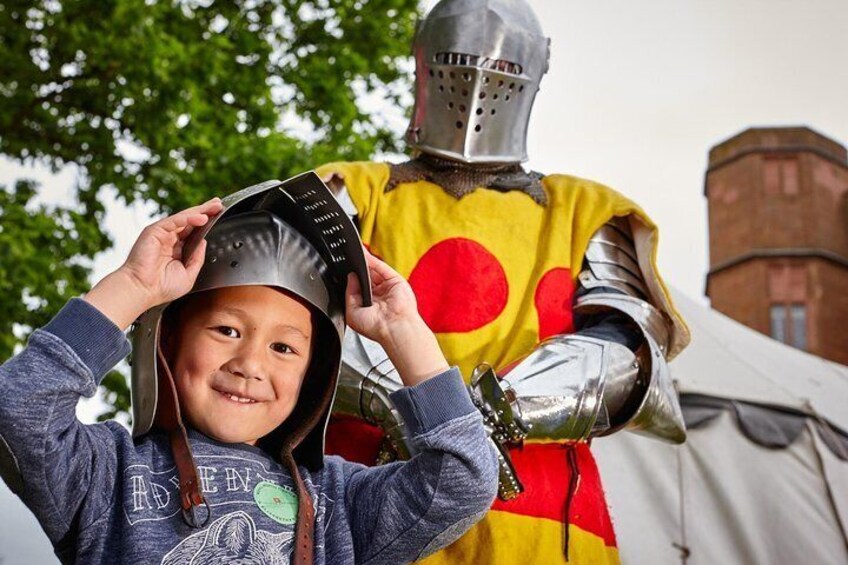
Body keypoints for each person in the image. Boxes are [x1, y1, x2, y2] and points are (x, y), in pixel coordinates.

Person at [317, 1, 691, 563]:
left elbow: (628, 354)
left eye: (500, 72)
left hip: (541, 518)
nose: (474, 87)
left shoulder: (584, 210)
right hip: (371, 500)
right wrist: (418, 409)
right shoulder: (352, 191)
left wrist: (490, 412)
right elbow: (290, 322)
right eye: (457, 63)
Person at [0, 173, 498, 565]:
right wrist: (133, 287)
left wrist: (402, 330)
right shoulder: (105, 473)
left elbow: (463, 480)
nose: (249, 364)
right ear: (169, 342)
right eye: (227, 331)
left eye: (284, 348)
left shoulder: (339, 505)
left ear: (314, 373)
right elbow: (20, 407)